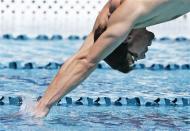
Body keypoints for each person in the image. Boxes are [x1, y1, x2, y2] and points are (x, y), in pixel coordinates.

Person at [32, 0, 190, 117]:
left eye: (134, 56)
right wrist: (43, 102)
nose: (143, 55)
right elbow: (81, 57)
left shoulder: (128, 15)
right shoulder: (117, 15)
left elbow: (87, 61)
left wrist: (43, 107)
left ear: (125, 40)